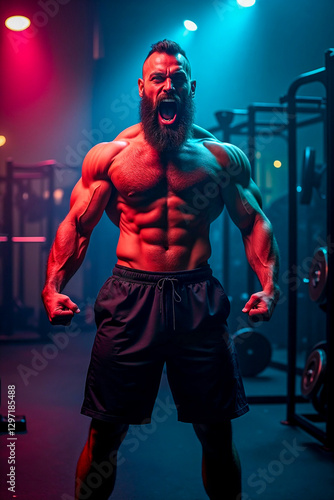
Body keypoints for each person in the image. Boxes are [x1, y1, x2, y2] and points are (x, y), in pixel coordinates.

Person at [42, 40, 280, 500]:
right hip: (131, 298)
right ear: (143, 88)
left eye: (176, 79)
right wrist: (53, 287)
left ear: (190, 88)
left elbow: (254, 221)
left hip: (197, 297)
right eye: (158, 78)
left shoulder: (221, 158)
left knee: (216, 432)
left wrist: (269, 287)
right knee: (106, 432)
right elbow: (77, 225)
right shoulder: (110, 156)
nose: (167, 85)